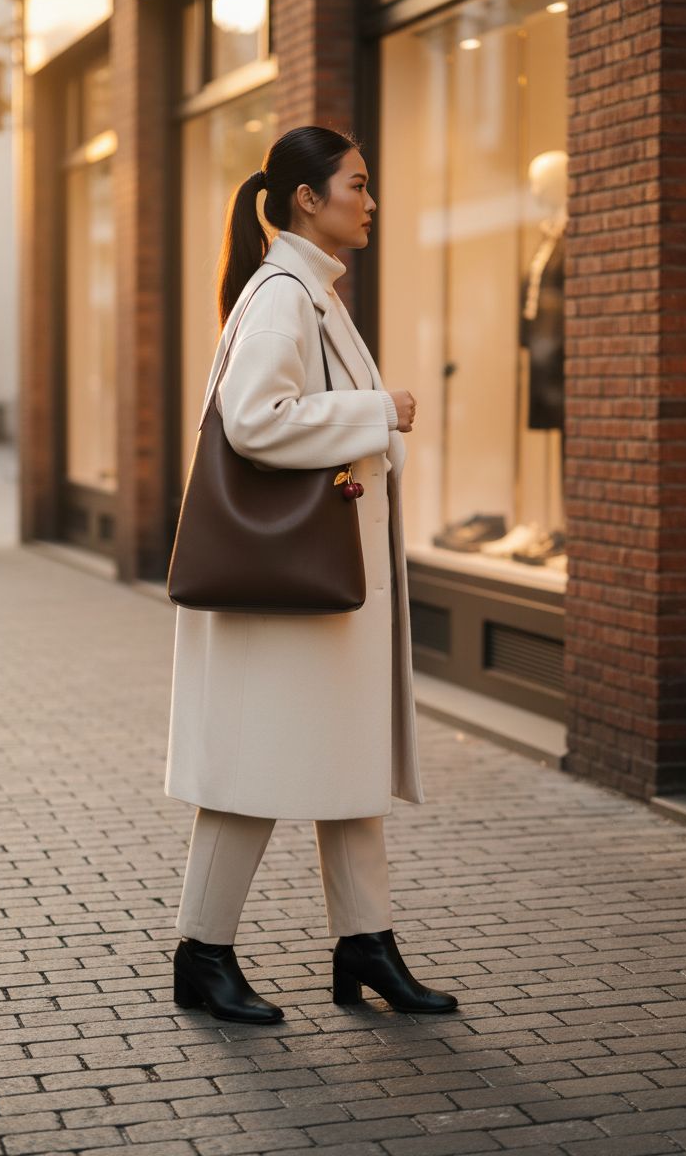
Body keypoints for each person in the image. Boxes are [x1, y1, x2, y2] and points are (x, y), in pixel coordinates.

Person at [165, 126, 459, 1024]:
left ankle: (365, 944)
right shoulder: (288, 296)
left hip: (315, 591)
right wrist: (380, 411)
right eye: (358, 185)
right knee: (251, 773)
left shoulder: (304, 291)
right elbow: (256, 420)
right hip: (289, 591)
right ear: (307, 198)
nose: (371, 202)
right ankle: (201, 954)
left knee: (346, 756)